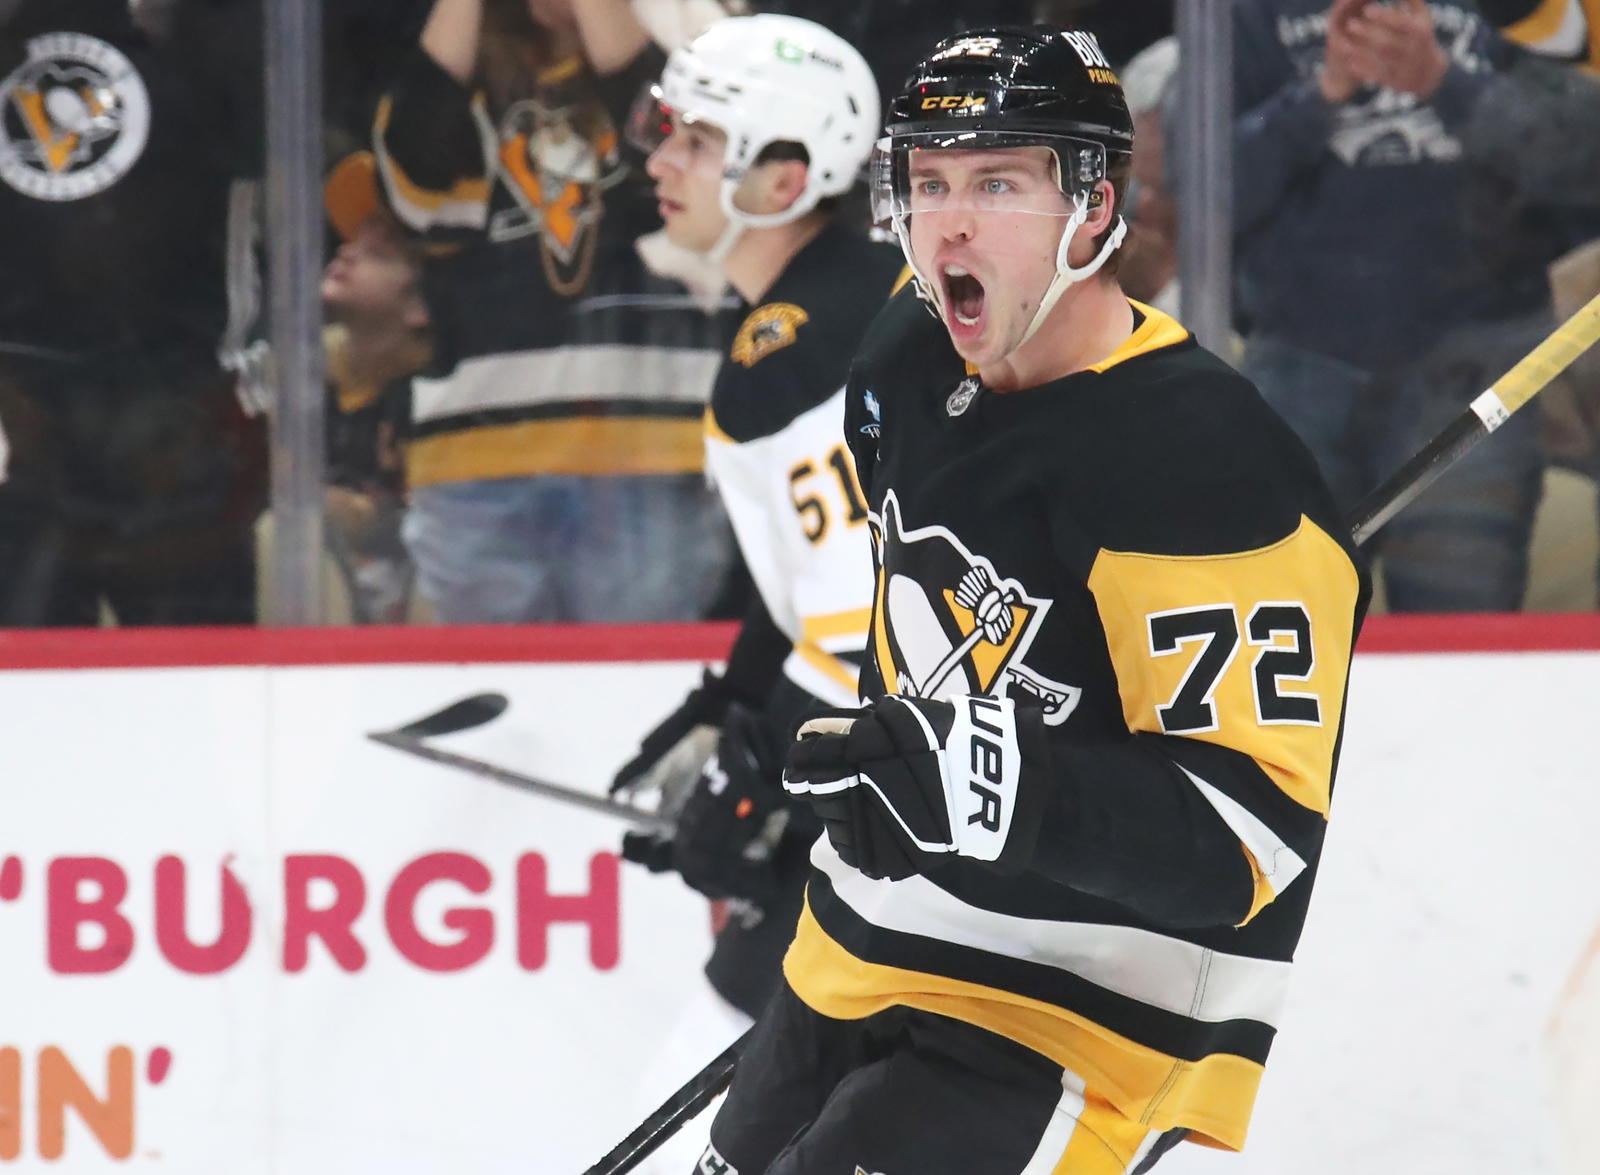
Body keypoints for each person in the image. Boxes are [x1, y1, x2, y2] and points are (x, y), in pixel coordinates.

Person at [696, 26, 1371, 1175]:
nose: (946, 222)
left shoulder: (1200, 460)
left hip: (1081, 995)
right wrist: (864, 766)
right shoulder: (902, 359)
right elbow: (903, 613)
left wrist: (987, 781)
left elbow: (1247, 838)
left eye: (997, 182)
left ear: (1094, 207)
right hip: (872, 929)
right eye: (927, 181)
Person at [599, 12, 898, 1169]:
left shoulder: (798, 353)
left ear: (783, 177)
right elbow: (823, 594)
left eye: (692, 139)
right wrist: (739, 699)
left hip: (903, 817)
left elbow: (868, 614)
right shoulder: (850, 297)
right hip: (927, 790)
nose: (659, 161)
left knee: (705, 1105)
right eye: (663, 130)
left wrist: (761, 764)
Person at [373, 0, 738, 623]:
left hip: (647, 452)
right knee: (493, 708)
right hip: (475, 458)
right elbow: (416, 194)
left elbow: (683, 161)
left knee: (635, 702)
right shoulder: (466, 71)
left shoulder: (699, 50)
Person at [1232, 0, 1552, 613]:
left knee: (1462, 636)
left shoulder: (1524, 10)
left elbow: (1573, 166)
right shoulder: (1244, 14)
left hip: (1478, 362)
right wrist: (1323, 92)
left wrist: (1443, 81)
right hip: (1299, 357)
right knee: (1273, 624)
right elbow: (1202, 188)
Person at [0, 0, 267, 626]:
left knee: (200, 696)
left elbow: (265, 139)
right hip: (22, 435)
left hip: (182, 427)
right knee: (25, 709)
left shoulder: (192, 34)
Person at [321, 150, 433, 623]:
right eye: (353, 239)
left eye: (379, 252)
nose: (347, 250)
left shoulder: (434, 399)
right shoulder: (292, 380)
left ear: (422, 305)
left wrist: (367, 517)